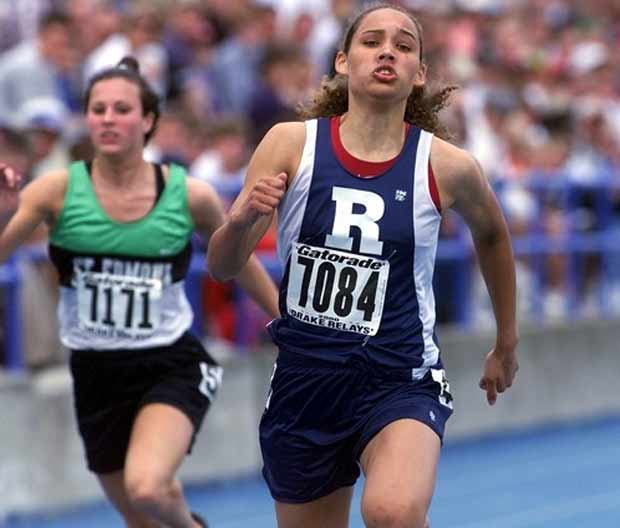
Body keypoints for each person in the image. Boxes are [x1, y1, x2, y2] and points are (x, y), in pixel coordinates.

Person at [208, 4, 519, 528]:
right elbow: (222, 266)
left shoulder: (446, 165)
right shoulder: (290, 144)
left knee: (391, 512)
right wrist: (240, 221)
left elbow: (492, 235)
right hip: (305, 382)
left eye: (403, 45)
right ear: (342, 61)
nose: (387, 52)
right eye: (372, 41)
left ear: (419, 74)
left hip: (400, 376)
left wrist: (506, 341)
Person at [0, 57, 279, 528]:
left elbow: (240, 261)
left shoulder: (189, 195)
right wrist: (5, 208)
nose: (108, 118)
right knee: (143, 516)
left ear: (148, 121)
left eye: (122, 109)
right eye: (98, 109)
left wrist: (285, 320)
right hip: (94, 371)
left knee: (147, 487)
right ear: (86, 118)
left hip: (169, 363)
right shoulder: (54, 191)